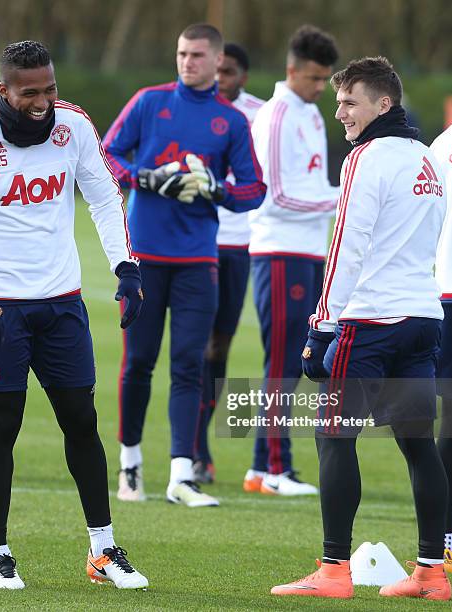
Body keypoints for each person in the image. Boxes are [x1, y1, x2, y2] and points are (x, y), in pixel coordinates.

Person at [0, 40, 148, 590]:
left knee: (82, 423)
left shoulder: (74, 126)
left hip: (62, 302)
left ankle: (104, 550)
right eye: (29, 92)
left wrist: (126, 268)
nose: (43, 101)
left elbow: (104, 194)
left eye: (49, 88)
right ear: (4, 91)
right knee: (3, 427)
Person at [271, 56, 451, 600]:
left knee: (334, 438)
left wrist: (322, 328)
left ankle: (332, 572)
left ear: (383, 104)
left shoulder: (364, 158)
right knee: (420, 445)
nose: (340, 112)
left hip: (368, 322)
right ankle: (430, 574)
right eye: (339, 101)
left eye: (351, 102)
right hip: (423, 317)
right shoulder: (427, 158)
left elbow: (346, 245)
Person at [104, 24, 266, 507]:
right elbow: (105, 155)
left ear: (217, 61)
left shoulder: (230, 121)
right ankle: (130, 466)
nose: (186, 61)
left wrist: (217, 190)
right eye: (181, 53)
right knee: (138, 363)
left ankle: (181, 476)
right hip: (145, 258)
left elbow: (253, 190)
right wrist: (143, 178)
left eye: (196, 55)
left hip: (199, 260)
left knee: (190, 365)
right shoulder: (149, 102)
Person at [244, 25, 339, 496]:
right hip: (279, 250)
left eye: (326, 80)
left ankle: (262, 467)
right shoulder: (277, 115)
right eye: (315, 78)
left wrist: (330, 198)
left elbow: (310, 184)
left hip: (310, 249)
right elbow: (275, 194)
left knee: (304, 357)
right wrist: (341, 199)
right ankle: (277, 469)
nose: (321, 88)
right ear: (292, 71)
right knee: (283, 360)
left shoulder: (312, 114)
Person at [193, 42, 265, 484]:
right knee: (194, 347)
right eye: (216, 71)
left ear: (244, 76)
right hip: (194, 245)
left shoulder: (262, 115)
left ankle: (199, 445)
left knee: (219, 347)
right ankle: (196, 449)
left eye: (230, 72)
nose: (221, 79)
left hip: (239, 244)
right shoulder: (187, 109)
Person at [431, 118, 452, 574]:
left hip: (449, 295)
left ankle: (444, 538)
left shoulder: (448, 139)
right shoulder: (448, 140)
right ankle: (444, 537)